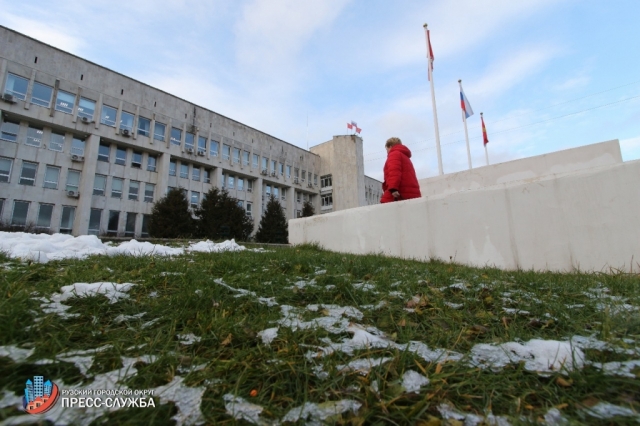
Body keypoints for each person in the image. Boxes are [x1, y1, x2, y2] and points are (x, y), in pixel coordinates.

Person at [380, 137, 421, 203]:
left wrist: (393, 188)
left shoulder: (394, 154)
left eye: (386, 149)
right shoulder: (405, 156)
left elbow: (394, 172)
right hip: (411, 193)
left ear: (390, 146)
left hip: (400, 192)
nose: (387, 152)